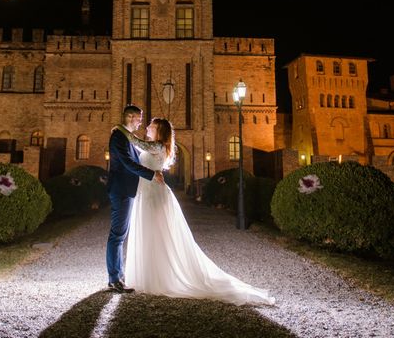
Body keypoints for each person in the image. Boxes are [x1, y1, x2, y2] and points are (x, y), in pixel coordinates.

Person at [114, 117, 276, 306]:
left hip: (153, 196)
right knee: (151, 234)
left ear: (159, 130)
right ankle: (150, 275)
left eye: (151, 124)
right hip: (147, 193)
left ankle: (158, 278)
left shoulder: (157, 146)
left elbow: (135, 142)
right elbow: (136, 150)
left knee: (155, 234)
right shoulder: (154, 146)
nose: (147, 126)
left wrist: (119, 127)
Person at [106, 105, 164, 293]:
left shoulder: (126, 137)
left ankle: (118, 275)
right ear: (131, 117)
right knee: (118, 235)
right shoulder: (118, 137)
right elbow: (127, 163)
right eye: (139, 118)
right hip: (121, 189)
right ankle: (115, 278)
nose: (141, 122)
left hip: (128, 190)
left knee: (120, 234)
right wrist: (152, 174)